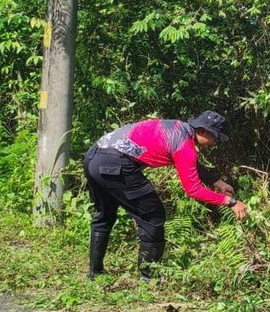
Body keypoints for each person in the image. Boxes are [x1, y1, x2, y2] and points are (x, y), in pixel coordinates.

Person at [83, 110, 248, 280]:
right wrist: (230, 202)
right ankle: (148, 279)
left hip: (93, 158)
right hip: (117, 165)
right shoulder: (184, 145)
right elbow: (193, 190)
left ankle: (95, 274)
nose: (214, 143)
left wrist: (217, 182)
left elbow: (191, 165)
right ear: (203, 131)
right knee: (153, 217)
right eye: (215, 138)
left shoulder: (178, 128)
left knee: (105, 215)